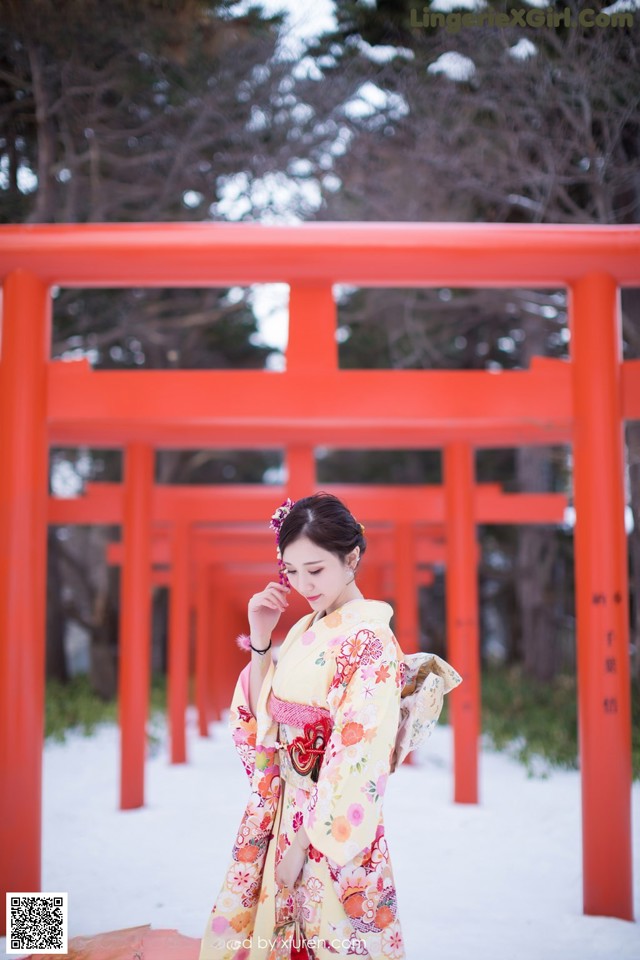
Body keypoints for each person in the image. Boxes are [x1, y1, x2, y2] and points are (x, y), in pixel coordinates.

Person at [198, 492, 462, 960]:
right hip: (286, 812)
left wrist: (304, 843)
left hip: (330, 826)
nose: (303, 585)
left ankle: (30, 932)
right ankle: (27, 936)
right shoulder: (303, 630)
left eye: (315, 570)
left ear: (352, 556)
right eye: (291, 571)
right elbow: (266, 716)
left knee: (328, 938)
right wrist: (261, 637)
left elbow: (357, 756)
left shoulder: (370, 641)